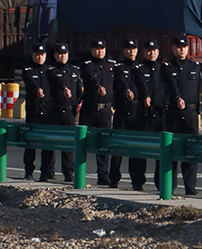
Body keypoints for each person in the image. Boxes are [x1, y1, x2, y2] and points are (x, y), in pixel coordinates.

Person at [161, 35, 201, 196]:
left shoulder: (194, 67)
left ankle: (190, 186)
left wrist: (197, 110)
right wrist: (177, 98)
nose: (182, 50)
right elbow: (170, 86)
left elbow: (198, 89)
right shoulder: (167, 67)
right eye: (178, 47)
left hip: (190, 114)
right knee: (172, 151)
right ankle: (170, 186)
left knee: (191, 150)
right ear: (172, 49)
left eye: (184, 47)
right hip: (174, 114)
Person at [79, 39, 116, 187]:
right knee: (83, 142)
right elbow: (89, 79)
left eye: (102, 49)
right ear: (92, 50)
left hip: (105, 111)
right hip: (89, 109)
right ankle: (79, 173)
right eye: (97, 49)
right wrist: (97, 87)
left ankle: (103, 175)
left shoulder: (111, 65)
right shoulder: (87, 65)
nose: (100, 51)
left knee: (104, 143)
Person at [130, 38, 164, 191]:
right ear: (144, 52)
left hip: (161, 115)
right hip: (144, 115)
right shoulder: (139, 69)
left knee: (162, 151)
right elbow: (141, 85)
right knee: (140, 150)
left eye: (154, 51)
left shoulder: (163, 68)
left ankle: (161, 183)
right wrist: (146, 96)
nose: (152, 54)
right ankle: (137, 181)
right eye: (149, 51)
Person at [47, 42, 83, 183]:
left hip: (69, 113)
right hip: (55, 111)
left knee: (69, 145)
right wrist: (63, 88)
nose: (62, 56)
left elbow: (79, 90)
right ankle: (48, 171)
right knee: (51, 143)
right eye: (60, 54)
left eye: (65, 54)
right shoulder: (51, 71)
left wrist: (77, 104)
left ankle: (69, 173)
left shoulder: (74, 70)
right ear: (55, 55)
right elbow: (55, 81)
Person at [109, 39, 140, 189]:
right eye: (128, 49)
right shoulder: (119, 67)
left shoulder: (141, 68)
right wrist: (126, 90)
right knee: (118, 147)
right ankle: (114, 178)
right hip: (122, 110)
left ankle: (137, 180)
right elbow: (121, 83)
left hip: (137, 111)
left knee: (135, 148)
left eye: (134, 49)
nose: (131, 52)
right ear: (124, 51)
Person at [22, 42, 52, 181]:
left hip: (47, 111)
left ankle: (46, 171)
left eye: (42, 55)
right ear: (32, 55)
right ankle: (29, 170)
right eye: (37, 55)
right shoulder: (28, 70)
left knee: (47, 143)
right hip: (33, 110)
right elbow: (30, 83)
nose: (40, 57)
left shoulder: (50, 71)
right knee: (31, 143)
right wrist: (37, 89)